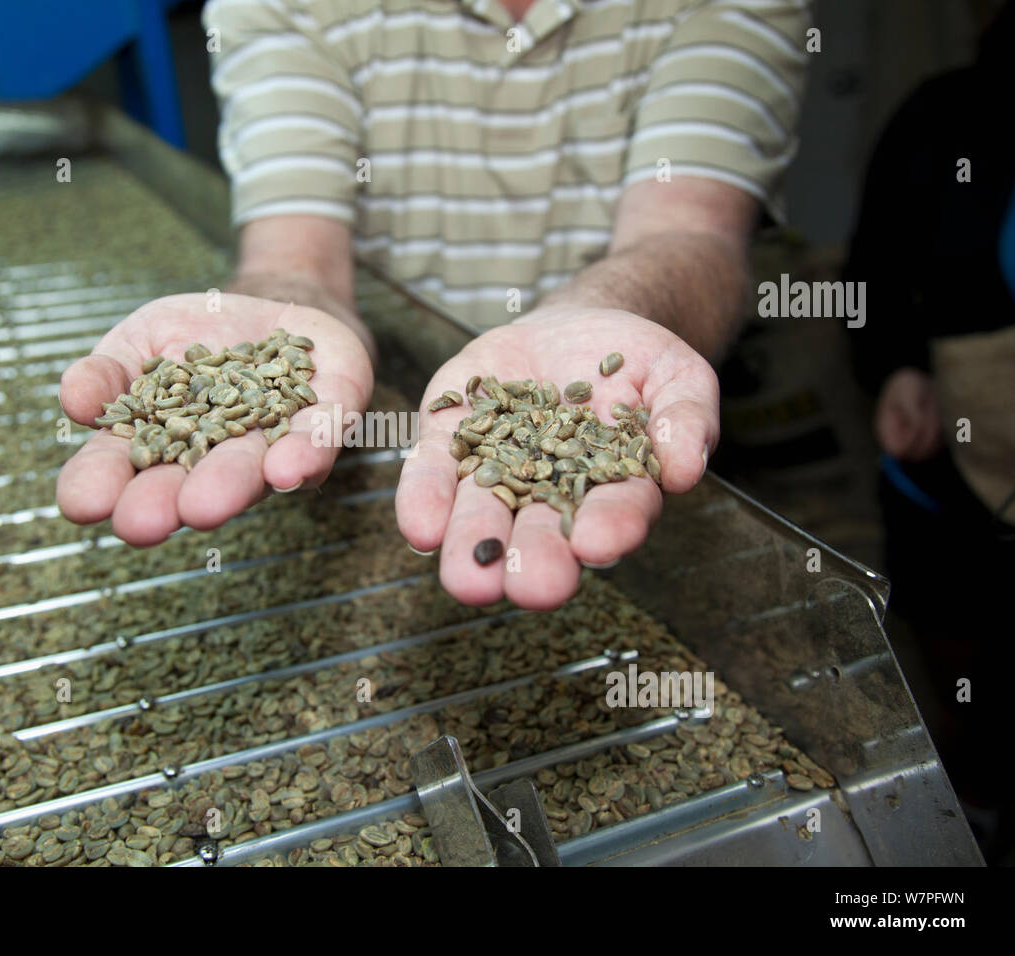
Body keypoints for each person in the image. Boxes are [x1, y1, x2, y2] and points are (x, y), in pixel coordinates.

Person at [57, 0, 812, 611]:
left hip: (646, 426)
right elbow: (296, 259)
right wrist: (275, 327)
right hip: (388, 441)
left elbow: (691, 232)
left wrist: (603, 312)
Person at [843, 0, 1015, 860]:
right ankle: (975, 809)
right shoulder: (942, 115)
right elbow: (870, 274)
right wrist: (898, 368)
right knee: (969, 657)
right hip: (951, 475)